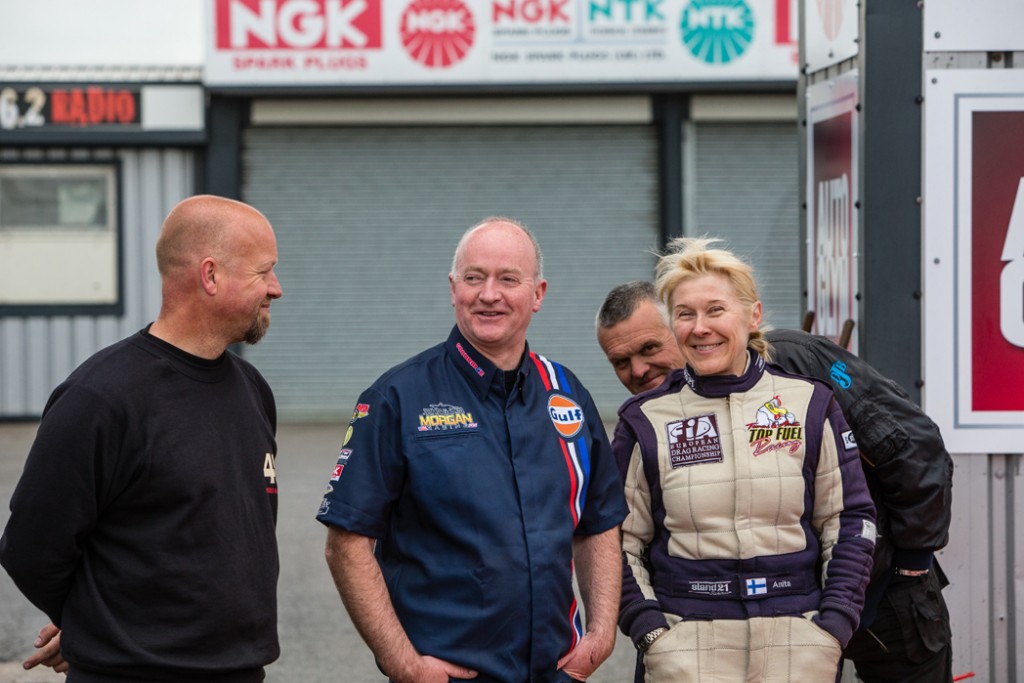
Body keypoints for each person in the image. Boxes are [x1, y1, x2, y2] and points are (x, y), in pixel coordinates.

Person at [316, 217, 628, 683]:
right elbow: (346, 545)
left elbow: (599, 522)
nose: (488, 294)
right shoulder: (397, 398)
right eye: (474, 277)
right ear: (453, 287)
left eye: (508, 279)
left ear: (538, 293)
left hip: (557, 671)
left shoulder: (567, 394)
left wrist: (601, 635)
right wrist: (404, 665)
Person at [597, 279, 954, 682]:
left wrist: (910, 563)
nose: (638, 370)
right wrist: (657, 633)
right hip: (755, 626)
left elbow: (912, 446)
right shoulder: (648, 419)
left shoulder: (797, 363)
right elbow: (627, 537)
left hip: (883, 592)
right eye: (620, 362)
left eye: (648, 348)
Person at [0, 195, 284, 682]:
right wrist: (95, 625)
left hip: (240, 671)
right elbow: (32, 548)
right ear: (210, 275)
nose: (276, 289)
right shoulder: (101, 399)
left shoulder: (252, 389)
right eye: (264, 272)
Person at [608, 239, 876, 682]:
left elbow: (849, 520)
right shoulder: (644, 420)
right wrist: (651, 633)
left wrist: (833, 628)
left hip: (797, 644)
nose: (700, 327)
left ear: (752, 316)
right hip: (684, 645)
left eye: (715, 310)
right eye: (685, 313)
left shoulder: (810, 403)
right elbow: (617, 540)